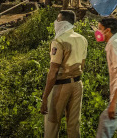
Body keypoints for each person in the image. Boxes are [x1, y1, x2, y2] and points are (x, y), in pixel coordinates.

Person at [41, 10, 87, 138]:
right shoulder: (82, 39)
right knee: (74, 126)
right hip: (77, 84)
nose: (56, 22)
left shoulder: (59, 41)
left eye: (58, 19)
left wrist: (45, 98)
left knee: (52, 125)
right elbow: (82, 65)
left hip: (61, 86)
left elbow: (53, 72)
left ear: (64, 22)